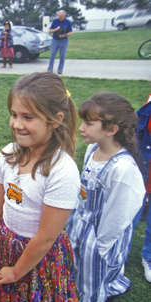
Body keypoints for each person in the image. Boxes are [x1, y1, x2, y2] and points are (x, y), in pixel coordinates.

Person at [0, 72, 80, 301]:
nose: (17, 124)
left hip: (40, 257)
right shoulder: (8, 154)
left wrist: (17, 271)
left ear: (55, 120)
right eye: (14, 114)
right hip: (6, 244)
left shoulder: (62, 171)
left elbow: (45, 237)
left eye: (28, 117)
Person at [66, 93, 145, 301]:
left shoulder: (123, 170)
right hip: (80, 223)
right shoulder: (92, 149)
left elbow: (119, 216)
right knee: (76, 269)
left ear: (111, 130)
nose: (81, 128)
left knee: (93, 279)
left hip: (101, 237)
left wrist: (100, 246)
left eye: (89, 123)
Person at [135, 93, 151, 283]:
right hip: (142, 169)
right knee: (130, 218)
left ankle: (148, 256)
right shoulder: (148, 105)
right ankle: (118, 257)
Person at [47, 10, 72, 75]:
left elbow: (70, 32)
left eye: (61, 16)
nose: (59, 17)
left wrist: (64, 35)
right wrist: (56, 29)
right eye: (59, 15)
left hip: (64, 41)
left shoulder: (68, 22)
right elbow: (50, 31)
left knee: (62, 56)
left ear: (64, 16)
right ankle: (50, 69)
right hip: (55, 40)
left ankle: (60, 70)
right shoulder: (55, 21)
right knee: (52, 54)